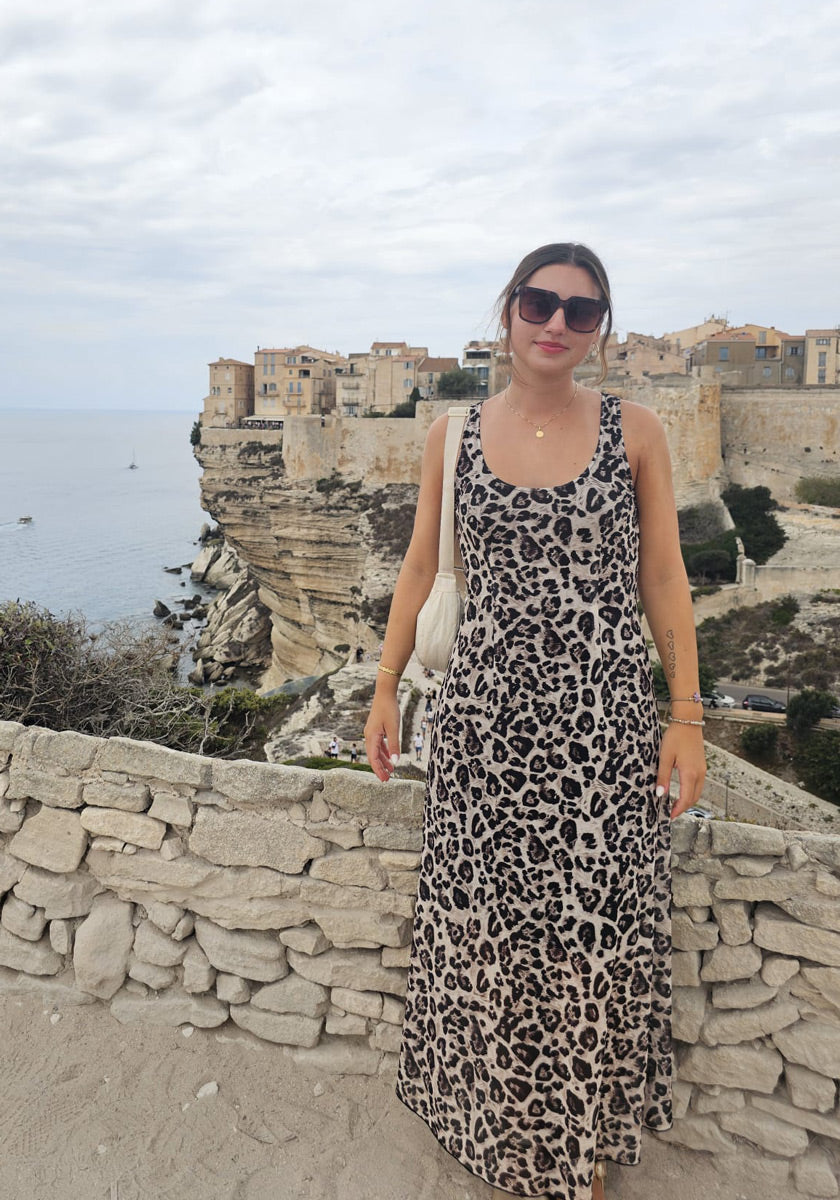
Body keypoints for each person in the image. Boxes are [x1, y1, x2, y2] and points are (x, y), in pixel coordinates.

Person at [363, 243, 706, 1200]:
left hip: (603, 731)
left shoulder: (636, 431)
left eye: (580, 311)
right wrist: (385, 685)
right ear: (508, 310)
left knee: (591, 940)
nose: (556, 322)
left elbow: (664, 577)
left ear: (600, 331)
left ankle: (579, 1152)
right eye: (539, 301)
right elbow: (421, 567)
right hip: (483, 728)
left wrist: (686, 716)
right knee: (486, 937)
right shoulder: (452, 435)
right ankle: (503, 1135)